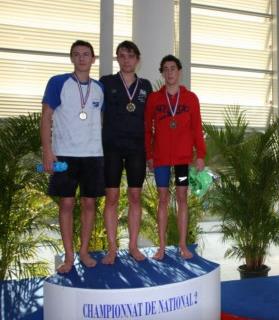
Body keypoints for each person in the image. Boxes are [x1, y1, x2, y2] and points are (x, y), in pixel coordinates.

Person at [40, 40, 105, 273]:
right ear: (71, 58)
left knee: (90, 204)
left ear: (93, 59)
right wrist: (48, 151)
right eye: (76, 54)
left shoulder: (99, 88)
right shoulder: (58, 82)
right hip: (64, 155)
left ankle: (84, 251)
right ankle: (69, 257)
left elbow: (102, 122)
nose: (81, 58)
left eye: (86, 54)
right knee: (66, 203)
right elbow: (46, 116)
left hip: (93, 155)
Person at [144, 54, 206, 260]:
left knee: (182, 198)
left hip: (182, 160)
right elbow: (147, 130)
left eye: (173, 68)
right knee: (162, 199)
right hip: (161, 159)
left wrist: (201, 155)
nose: (169, 72)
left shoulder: (191, 98)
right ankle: (161, 247)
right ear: (162, 73)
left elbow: (197, 128)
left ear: (179, 72)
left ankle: (182, 245)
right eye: (166, 69)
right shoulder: (154, 99)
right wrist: (150, 155)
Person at [99, 41, 153, 264]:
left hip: (137, 148)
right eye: (121, 56)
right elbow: (96, 115)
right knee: (111, 197)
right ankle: (112, 249)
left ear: (137, 59)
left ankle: (132, 246)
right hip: (111, 147)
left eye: (130, 56)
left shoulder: (146, 86)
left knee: (135, 196)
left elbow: (151, 121)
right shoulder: (106, 82)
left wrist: (152, 152)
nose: (126, 60)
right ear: (117, 59)